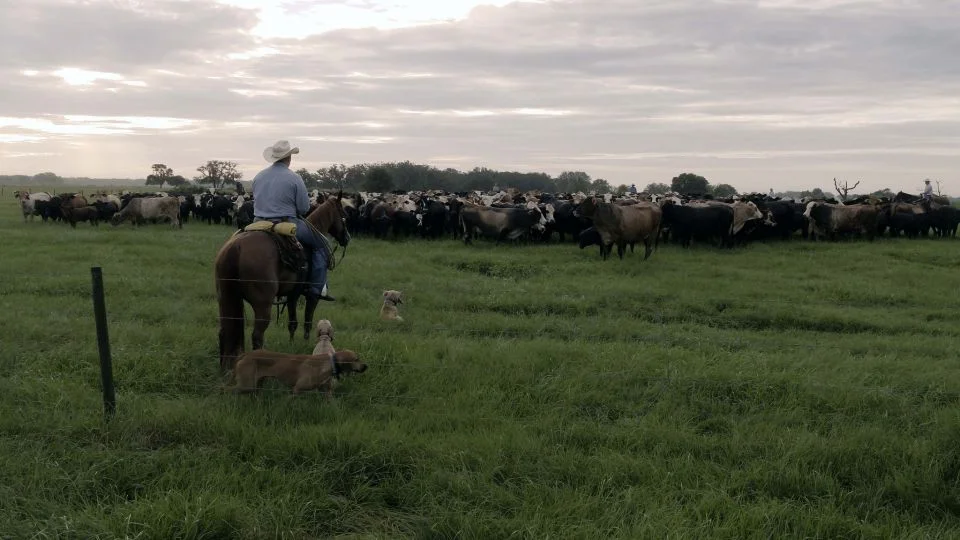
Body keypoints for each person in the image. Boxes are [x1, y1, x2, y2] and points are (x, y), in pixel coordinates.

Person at [252, 140, 334, 302]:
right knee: (322, 244)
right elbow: (303, 208)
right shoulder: (294, 178)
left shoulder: (258, 176)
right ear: (288, 158)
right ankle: (317, 288)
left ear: (274, 158)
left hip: (258, 222)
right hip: (287, 223)